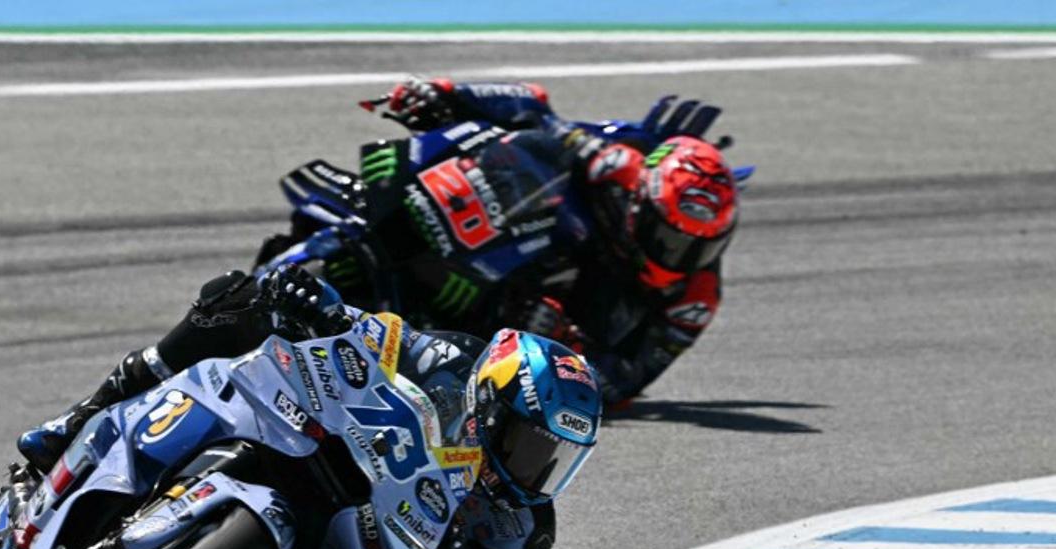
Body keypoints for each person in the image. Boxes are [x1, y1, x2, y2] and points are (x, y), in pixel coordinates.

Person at [18, 262, 602, 549]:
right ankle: (83, 417)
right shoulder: (450, 362)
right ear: (491, 405)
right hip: (333, 443)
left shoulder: (521, 537)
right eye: (530, 445)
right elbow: (378, 334)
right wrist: (320, 304)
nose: (538, 470)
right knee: (235, 300)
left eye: (556, 459)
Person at [261, 78, 741, 409]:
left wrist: (570, 351)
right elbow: (536, 110)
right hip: (505, 239)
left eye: (700, 246)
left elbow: (626, 380)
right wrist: (445, 93)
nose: (683, 256)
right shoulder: (618, 164)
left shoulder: (694, 296)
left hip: (549, 324)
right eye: (671, 238)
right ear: (642, 204)